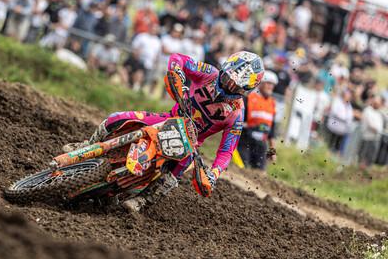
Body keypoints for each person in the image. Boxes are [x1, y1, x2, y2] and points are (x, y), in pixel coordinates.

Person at [64, 51, 264, 212]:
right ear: (225, 68)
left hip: (190, 143)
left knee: (175, 174)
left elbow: (227, 151)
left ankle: (144, 200)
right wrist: (177, 74)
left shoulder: (236, 114)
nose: (228, 85)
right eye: (227, 79)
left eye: (235, 87)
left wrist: (213, 174)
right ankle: (88, 145)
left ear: (244, 91)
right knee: (116, 117)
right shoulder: (209, 73)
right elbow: (178, 58)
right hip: (168, 119)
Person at [238, 70, 278, 170]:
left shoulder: (272, 103)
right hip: (245, 141)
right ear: (260, 83)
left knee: (260, 173)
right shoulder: (248, 98)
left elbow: (272, 131)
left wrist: (272, 151)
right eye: (268, 83)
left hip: (261, 144)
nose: (270, 87)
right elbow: (237, 121)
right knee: (242, 169)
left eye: (272, 84)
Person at [359, 96, 384, 167]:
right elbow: (371, 124)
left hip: (375, 138)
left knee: (371, 157)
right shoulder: (368, 110)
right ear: (373, 103)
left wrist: (379, 130)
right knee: (364, 156)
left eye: (379, 104)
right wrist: (377, 130)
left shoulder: (379, 113)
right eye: (377, 103)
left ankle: (367, 169)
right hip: (367, 138)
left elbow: (380, 125)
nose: (378, 105)